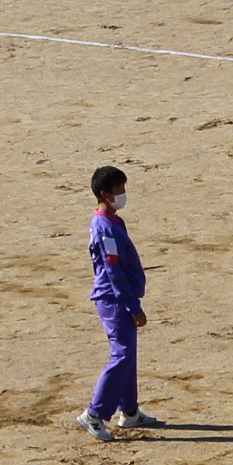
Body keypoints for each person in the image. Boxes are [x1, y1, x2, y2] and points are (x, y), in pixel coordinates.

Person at [76, 164, 154, 440]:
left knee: (127, 355)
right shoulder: (105, 228)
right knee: (120, 356)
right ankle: (94, 413)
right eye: (119, 189)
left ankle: (130, 412)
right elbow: (113, 271)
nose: (123, 193)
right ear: (104, 193)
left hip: (119, 296)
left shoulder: (113, 221)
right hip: (114, 299)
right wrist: (132, 305)